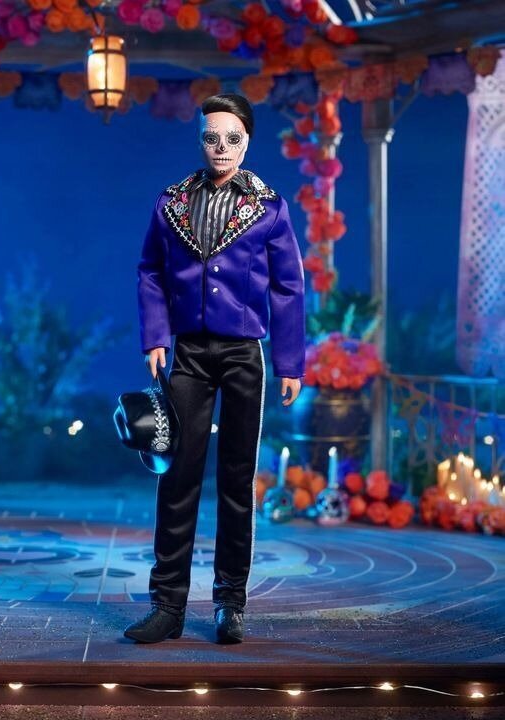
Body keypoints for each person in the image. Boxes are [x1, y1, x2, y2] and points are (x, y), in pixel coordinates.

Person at [124, 93, 305, 644]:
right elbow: (151, 270)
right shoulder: (173, 202)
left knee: (236, 479)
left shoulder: (268, 207)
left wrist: (289, 361)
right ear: (199, 139)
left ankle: (231, 602)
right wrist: (156, 335)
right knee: (177, 473)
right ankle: (168, 605)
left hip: (244, 352)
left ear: (247, 142)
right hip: (189, 352)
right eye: (211, 137)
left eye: (232, 138)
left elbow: (288, 286)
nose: (221, 147)